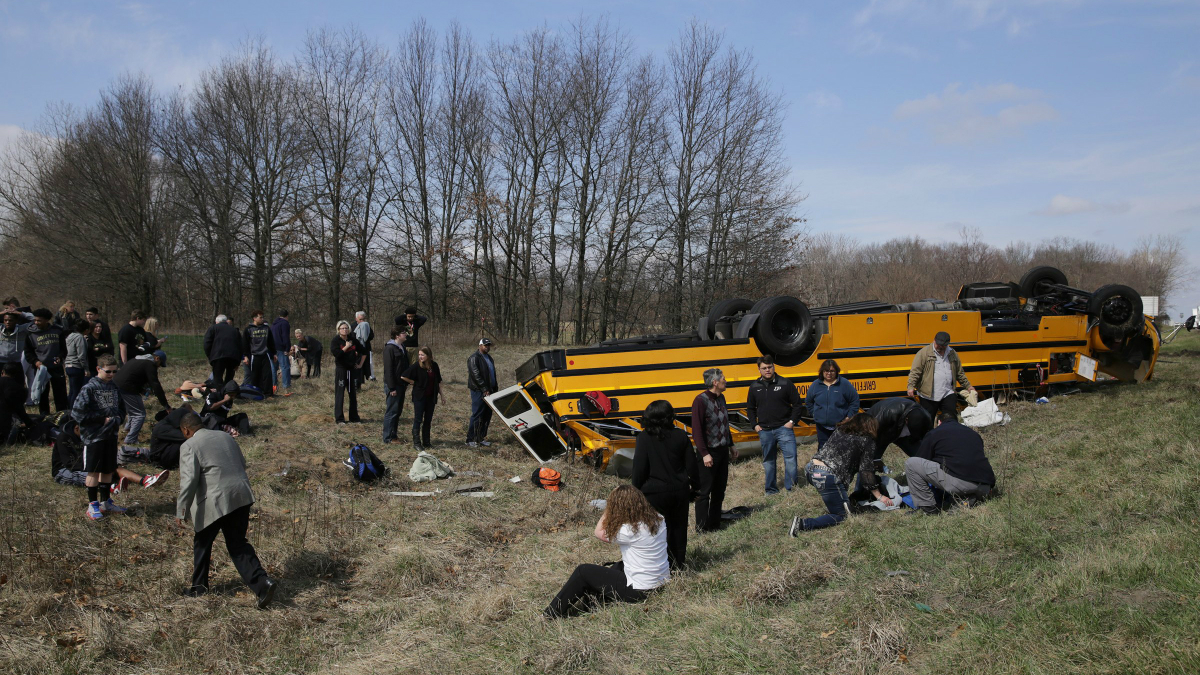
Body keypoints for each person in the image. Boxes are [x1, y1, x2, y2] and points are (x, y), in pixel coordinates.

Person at [175, 411, 276, 608]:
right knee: (238, 543)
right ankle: (263, 583)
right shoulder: (225, 436)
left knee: (202, 543)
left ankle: (199, 588)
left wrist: (181, 510)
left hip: (216, 500)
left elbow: (189, 481)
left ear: (186, 430)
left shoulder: (189, 446)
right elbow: (242, 463)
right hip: (241, 495)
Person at [544, 485, 669, 619]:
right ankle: (593, 602)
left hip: (640, 590)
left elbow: (598, 532)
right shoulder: (658, 519)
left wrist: (608, 509)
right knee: (616, 567)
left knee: (583, 571)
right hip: (660, 581)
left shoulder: (628, 531)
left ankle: (551, 613)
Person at [789, 413, 892, 535]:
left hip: (811, 469)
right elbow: (866, 473)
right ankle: (802, 524)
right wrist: (880, 496)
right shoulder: (867, 440)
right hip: (826, 475)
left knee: (842, 503)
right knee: (841, 515)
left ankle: (842, 503)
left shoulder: (840, 431)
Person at [632, 399, 698, 570]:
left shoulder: (644, 438)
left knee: (656, 531)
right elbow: (692, 465)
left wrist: (635, 490)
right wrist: (696, 487)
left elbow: (639, 468)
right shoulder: (681, 435)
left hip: (653, 493)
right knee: (678, 529)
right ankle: (678, 565)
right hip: (679, 490)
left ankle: (659, 565)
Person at [71, 353, 127, 520]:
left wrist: (118, 419)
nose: (111, 375)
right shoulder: (89, 388)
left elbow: (122, 408)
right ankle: (92, 505)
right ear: (98, 369)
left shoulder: (114, 387)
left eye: (114, 371)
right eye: (108, 371)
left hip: (111, 435)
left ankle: (106, 502)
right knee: (94, 471)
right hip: (94, 436)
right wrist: (101, 420)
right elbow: (77, 413)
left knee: (108, 469)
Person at [906, 413, 996, 515]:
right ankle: (969, 498)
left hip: (961, 484)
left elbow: (921, 459)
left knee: (911, 464)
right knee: (957, 472)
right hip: (986, 485)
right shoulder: (973, 433)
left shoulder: (934, 433)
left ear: (939, 422)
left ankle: (929, 510)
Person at [54, 417, 168, 492]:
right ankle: (112, 487)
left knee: (113, 467)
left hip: (88, 465)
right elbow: (69, 463)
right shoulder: (63, 438)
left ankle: (145, 480)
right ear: (77, 428)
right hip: (64, 470)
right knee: (91, 476)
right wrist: (93, 466)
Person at [690, 367, 738, 533]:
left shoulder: (722, 398)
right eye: (723, 378)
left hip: (723, 451)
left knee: (720, 490)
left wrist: (731, 445)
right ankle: (702, 527)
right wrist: (704, 453)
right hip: (709, 454)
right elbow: (696, 430)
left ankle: (714, 524)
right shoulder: (700, 401)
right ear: (715, 382)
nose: (726, 380)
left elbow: (725, 425)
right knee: (704, 492)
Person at [746, 355, 802, 495]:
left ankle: (791, 489)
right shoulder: (754, 387)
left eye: (769, 367)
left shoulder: (785, 383)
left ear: (774, 367)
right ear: (759, 370)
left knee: (790, 459)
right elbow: (750, 408)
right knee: (769, 461)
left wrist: (791, 422)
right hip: (764, 430)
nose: (767, 370)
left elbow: (797, 405)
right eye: (764, 368)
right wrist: (755, 425)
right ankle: (771, 490)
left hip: (784, 429)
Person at [907, 331, 975, 419]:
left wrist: (968, 386)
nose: (940, 347)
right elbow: (915, 371)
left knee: (950, 418)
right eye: (938, 344)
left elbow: (959, 372)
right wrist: (911, 386)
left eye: (943, 345)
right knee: (928, 420)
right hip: (928, 395)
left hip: (948, 392)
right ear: (934, 340)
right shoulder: (923, 353)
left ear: (947, 344)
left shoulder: (952, 353)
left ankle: (947, 432)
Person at [114, 350, 171, 448]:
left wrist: (141, 390)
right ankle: (130, 440)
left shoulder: (138, 359)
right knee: (139, 414)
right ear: (157, 358)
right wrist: (166, 405)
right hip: (127, 387)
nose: (159, 367)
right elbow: (156, 385)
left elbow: (132, 376)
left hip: (116, 384)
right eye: (160, 364)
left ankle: (127, 429)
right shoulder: (150, 364)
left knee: (133, 410)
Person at [805, 359, 860, 449]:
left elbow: (855, 401)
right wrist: (815, 414)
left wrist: (848, 417)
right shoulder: (816, 385)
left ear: (836, 371)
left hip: (840, 426)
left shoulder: (844, 384)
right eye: (826, 371)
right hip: (821, 426)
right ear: (822, 371)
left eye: (832, 371)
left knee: (840, 449)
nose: (829, 373)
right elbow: (808, 401)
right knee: (823, 450)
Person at [24, 308, 69, 414]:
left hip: (56, 367)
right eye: (35, 320)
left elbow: (63, 349)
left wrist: (60, 357)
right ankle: (44, 419)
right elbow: (28, 352)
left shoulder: (57, 330)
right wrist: (36, 362)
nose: (36, 322)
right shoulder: (31, 333)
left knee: (60, 395)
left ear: (47, 320)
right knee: (43, 395)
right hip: (41, 369)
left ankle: (62, 417)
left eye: (39, 320)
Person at [400, 346, 444, 448]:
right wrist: (413, 382)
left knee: (428, 420)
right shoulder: (416, 366)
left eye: (422, 355)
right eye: (419, 355)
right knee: (418, 419)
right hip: (419, 397)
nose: (420, 357)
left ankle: (427, 442)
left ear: (428, 356)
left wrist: (442, 395)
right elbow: (403, 376)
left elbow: (438, 381)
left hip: (431, 397)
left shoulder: (434, 366)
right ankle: (417, 443)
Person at [867, 397, 933, 462]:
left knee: (922, 456)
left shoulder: (925, 418)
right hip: (882, 430)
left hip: (900, 432)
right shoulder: (889, 414)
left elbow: (929, 438)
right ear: (906, 420)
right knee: (872, 459)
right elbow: (873, 434)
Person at [331, 320, 366, 424]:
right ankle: (340, 419)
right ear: (338, 330)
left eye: (346, 328)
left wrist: (360, 364)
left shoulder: (353, 340)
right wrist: (346, 347)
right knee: (340, 394)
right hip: (341, 370)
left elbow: (364, 352)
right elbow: (337, 354)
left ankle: (354, 418)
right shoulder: (336, 341)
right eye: (342, 328)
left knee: (352, 394)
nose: (345, 330)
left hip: (352, 370)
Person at [466, 338, 497, 447]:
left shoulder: (489, 358)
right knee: (477, 414)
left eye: (488, 345)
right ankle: (470, 439)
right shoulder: (474, 358)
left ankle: (481, 438)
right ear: (480, 346)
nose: (487, 347)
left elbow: (492, 374)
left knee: (487, 415)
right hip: (479, 391)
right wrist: (484, 389)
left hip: (490, 390)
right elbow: (476, 376)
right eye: (485, 345)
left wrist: (494, 388)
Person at [381, 325, 410, 443]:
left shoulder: (402, 346)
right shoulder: (389, 348)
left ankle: (394, 435)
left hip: (401, 384)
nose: (406, 334)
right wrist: (392, 387)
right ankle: (387, 438)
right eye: (404, 333)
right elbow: (388, 370)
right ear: (397, 335)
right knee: (391, 411)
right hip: (393, 385)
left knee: (397, 411)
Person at [242, 310, 277, 398]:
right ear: (254, 318)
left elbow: (270, 342)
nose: (262, 319)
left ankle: (268, 394)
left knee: (267, 375)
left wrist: (274, 353)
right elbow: (245, 344)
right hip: (254, 355)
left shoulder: (266, 328)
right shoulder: (248, 329)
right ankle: (256, 393)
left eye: (262, 317)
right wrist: (245, 356)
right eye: (260, 317)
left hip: (265, 355)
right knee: (255, 376)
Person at [203, 314, 242, 386]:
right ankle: (229, 392)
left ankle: (219, 392)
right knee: (229, 377)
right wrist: (238, 362)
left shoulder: (213, 328)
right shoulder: (235, 330)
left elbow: (207, 343)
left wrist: (210, 356)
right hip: (233, 357)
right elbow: (240, 346)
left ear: (217, 321)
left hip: (218, 356)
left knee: (217, 378)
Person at [0, 362, 32, 444]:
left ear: (2, 372)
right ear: (15, 375)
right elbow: (19, 409)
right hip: (4, 423)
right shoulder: (17, 388)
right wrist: (29, 422)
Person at [65, 319, 92, 408]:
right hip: (76, 366)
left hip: (68, 365)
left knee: (72, 390)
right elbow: (81, 355)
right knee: (76, 391)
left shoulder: (70, 336)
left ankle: (69, 408)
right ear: (86, 329)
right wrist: (86, 368)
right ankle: (73, 411)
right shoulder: (80, 337)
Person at [270, 310, 291, 391]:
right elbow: (285, 336)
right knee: (285, 367)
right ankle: (286, 386)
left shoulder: (273, 324)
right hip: (281, 348)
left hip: (272, 348)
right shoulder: (285, 323)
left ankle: (274, 386)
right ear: (287, 316)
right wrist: (287, 348)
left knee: (273, 368)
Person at [354, 311, 374, 385]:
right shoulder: (353, 326)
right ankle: (356, 384)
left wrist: (365, 337)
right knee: (357, 366)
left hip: (365, 349)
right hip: (356, 350)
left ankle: (364, 380)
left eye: (363, 319)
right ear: (356, 319)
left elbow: (371, 336)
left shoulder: (367, 325)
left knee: (366, 366)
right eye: (360, 319)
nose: (362, 321)